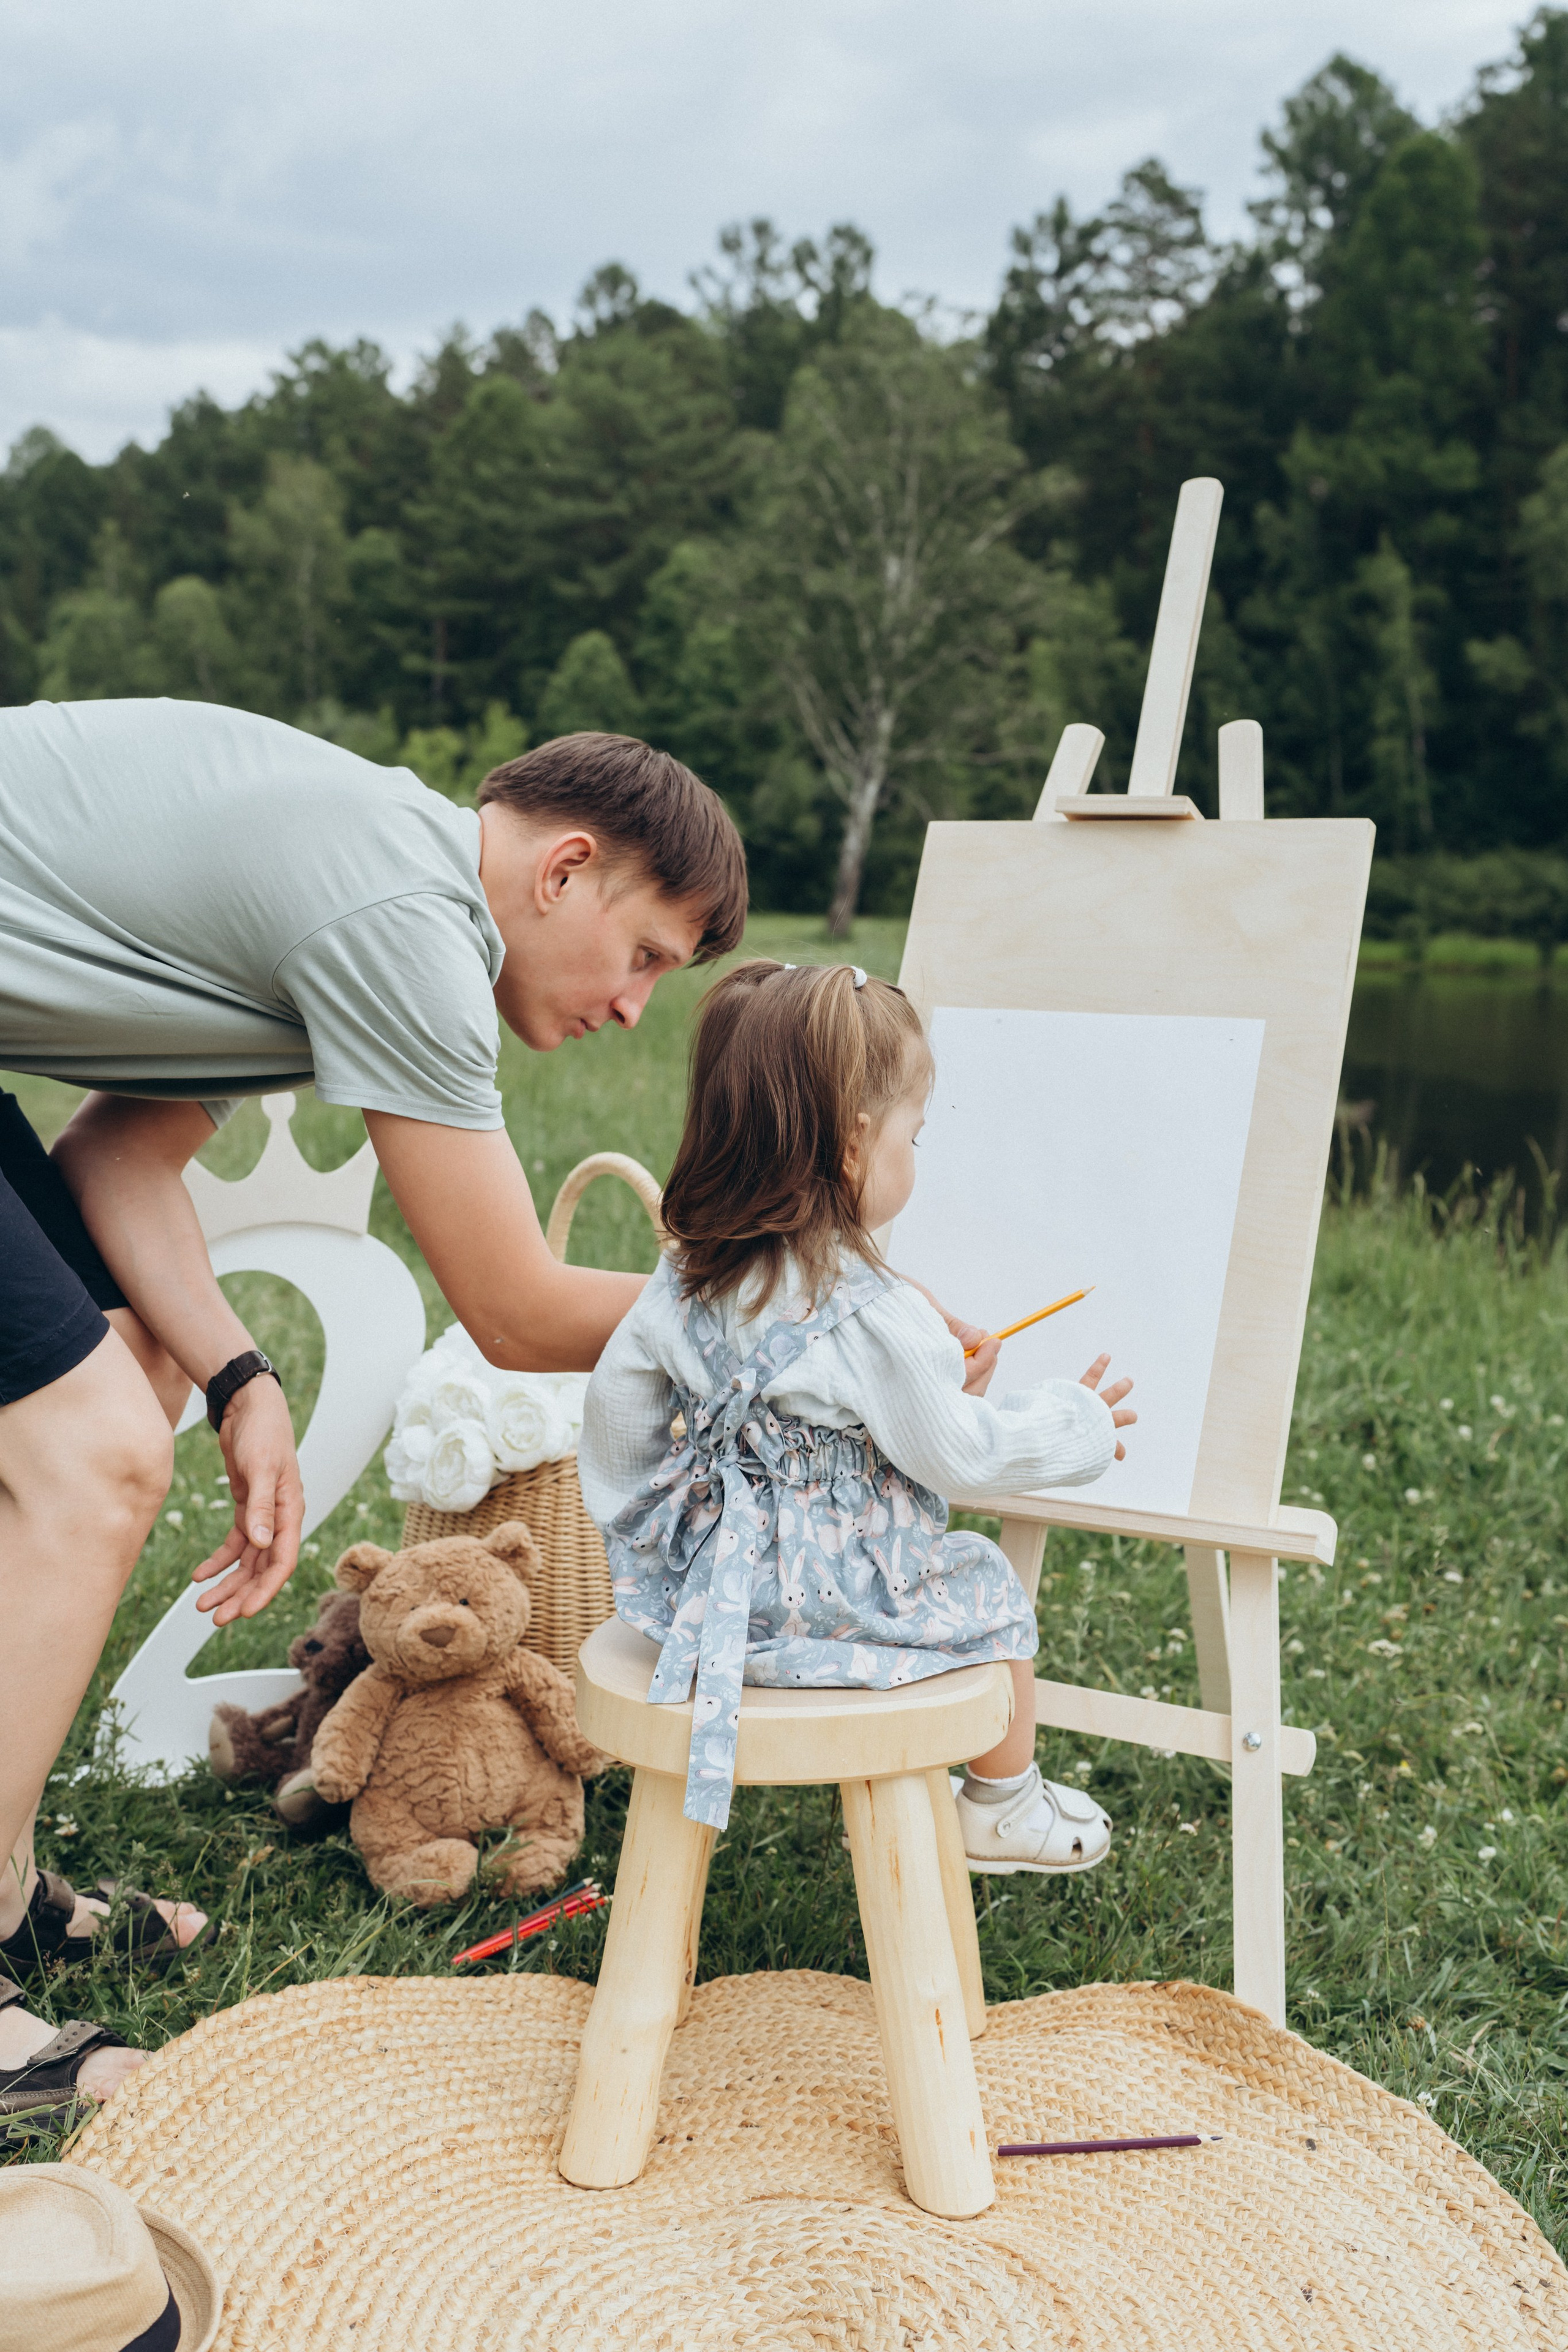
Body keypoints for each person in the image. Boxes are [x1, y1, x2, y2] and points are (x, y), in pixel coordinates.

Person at [0, 698, 747, 2125]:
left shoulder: (374, 875)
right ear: (566, 867)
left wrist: (235, 1374)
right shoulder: (405, 916)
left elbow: (117, 1155)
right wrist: (781, 1305)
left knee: (122, 1369)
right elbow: (515, 1307)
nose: (633, 1005)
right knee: (88, 1455)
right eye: (645, 952)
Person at [577, 959, 1136, 1867]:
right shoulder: (878, 1310)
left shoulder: (684, 1278)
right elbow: (960, 1458)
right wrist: (1080, 1426)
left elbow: (614, 1416)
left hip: (710, 1599)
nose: (916, 1157)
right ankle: (1002, 1801)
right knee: (988, 1587)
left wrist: (650, 1531)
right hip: (840, 1610)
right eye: (914, 1137)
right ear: (853, 1145)